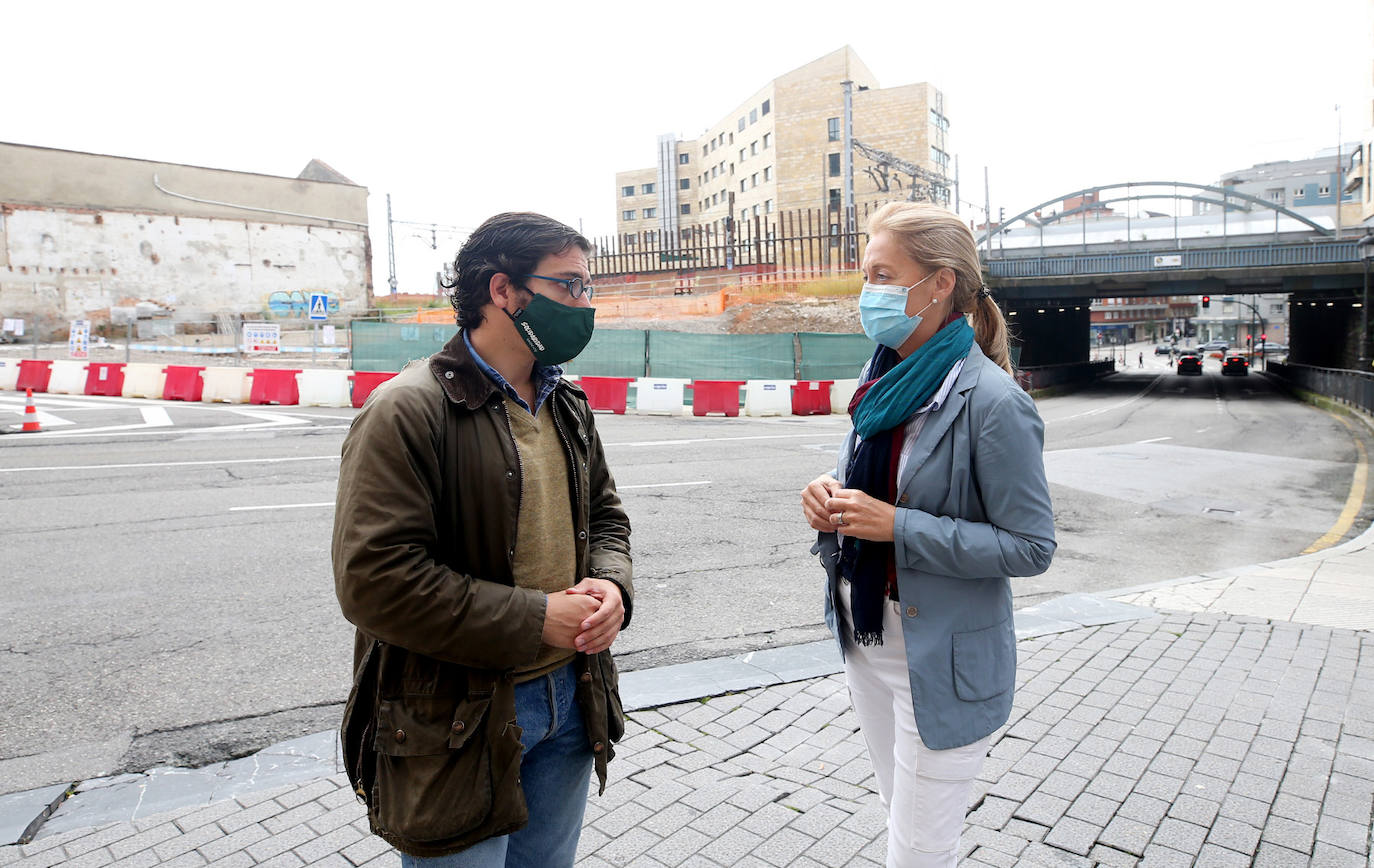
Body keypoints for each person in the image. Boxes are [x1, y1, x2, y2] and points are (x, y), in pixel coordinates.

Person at [333, 212, 633, 867]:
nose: (586, 305)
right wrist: (537, 618)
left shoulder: (565, 401)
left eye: (588, 288)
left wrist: (612, 586)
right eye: (571, 287)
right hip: (457, 717)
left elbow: (606, 518)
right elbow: (375, 580)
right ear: (504, 291)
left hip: (571, 697)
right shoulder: (406, 411)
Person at [800, 202, 1056, 867]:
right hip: (868, 639)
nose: (868, 293)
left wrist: (900, 527)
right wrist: (827, 497)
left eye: (884, 274)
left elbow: (1031, 547)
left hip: (940, 662)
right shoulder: (881, 375)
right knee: (903, 824)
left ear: (939, 283)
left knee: (919, 850)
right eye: (866, 275)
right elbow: (858, 478)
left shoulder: (994, 403)